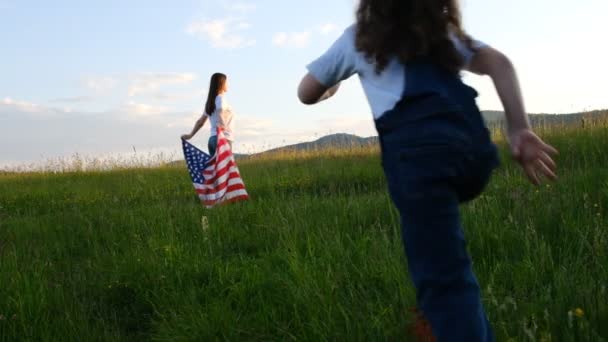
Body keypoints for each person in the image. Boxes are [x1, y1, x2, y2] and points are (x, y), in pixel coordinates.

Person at [297, 1, 558, 341]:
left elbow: (306, 93)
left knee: (445, 280)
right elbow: (499, 62)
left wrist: (332, 85)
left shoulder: (358, 38)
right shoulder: (439, 32)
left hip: (419, 163)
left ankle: (448, 320)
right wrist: (519, 128)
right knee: (444, 253)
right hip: (471, 154)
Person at [182, 73, 235, 155]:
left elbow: (200, 122)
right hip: (223, 139)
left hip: (212, 140)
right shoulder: (222, 99)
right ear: (222, 84)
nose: (228, 85)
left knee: (216, 167)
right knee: (226, 167)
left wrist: (190, 135)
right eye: (227, 82)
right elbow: (220, 109)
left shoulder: (210, 102)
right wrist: (222, 126)